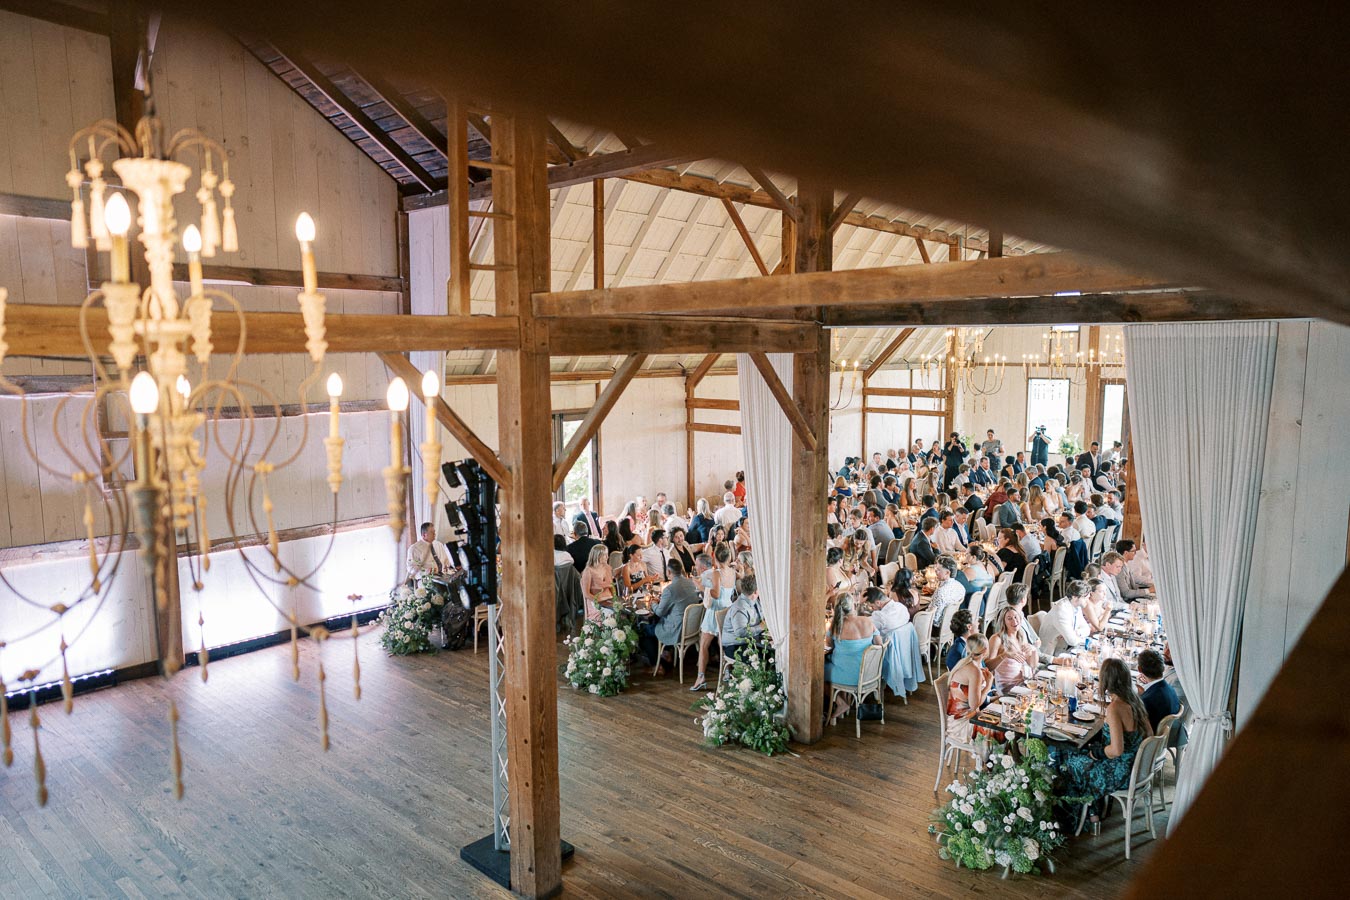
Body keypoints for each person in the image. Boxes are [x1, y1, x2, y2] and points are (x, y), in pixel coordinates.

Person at [1059, 658, 1153, 826]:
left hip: (1121, 772)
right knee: (1080, 754)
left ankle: (1083, 819)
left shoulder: (1115, 708)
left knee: (1070, 761)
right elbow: (1150, 734)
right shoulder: (1135, 700)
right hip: (1137, 767)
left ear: (1107, 681)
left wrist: (1097, 753)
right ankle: (1094, 812)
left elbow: (1116, 750)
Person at [824, 593, 882, 724]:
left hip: (848, 675)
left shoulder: (835, 626)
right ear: (853, 605)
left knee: (818, 673)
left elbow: (829, 645)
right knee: (841, 664)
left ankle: (841, 702)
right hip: (869, 673)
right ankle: (844, 700)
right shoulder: (867, 621)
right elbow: (879, 644)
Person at [636, 557, 702, 672]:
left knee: (643, 630)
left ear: (668, 572)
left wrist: (653, 603)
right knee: (654, 624)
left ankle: (656, 665)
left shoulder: (669, 589)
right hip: (693, 629)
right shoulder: (691, 583)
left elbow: (659, 612)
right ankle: (666, 652)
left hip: (676, 630)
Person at [690, 543, 736, 692]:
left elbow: (715, 594)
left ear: (715, 557)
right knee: (722, 644)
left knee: (704, 645)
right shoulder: (732, 572)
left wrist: (701, 587)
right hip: (727, 610)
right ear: (728, 557)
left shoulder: (717, 573)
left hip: (715, 611)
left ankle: (700, 678)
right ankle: (726, 671)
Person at [945, 633, 992, 744]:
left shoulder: (964, 663)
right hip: (962, 725)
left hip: (958, 720)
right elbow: (974, 705)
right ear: (985, 650)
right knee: (1001, 732)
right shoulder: (974, 670)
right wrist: (988, 685)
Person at [987, 606, 1038, 692]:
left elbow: (1032, 665)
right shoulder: (997, 639)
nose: (1014, 621)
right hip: (1007, 688)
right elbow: (988, 667)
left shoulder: (1021, 635)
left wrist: (1033, 649)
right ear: (1004, 622)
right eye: (1009, 618)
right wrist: (1004, 655)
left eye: (1015, 617)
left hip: (1023, 683)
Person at [1039, 580, 1092, 654]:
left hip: (1066, 648)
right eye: (1085, 598)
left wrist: (1077, 632)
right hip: (1053, 653)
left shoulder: (1077, 606)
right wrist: (1078, 636)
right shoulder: (1061, 611)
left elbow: (1087, 629)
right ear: (1075, 597)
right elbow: (1072, 641)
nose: (1088, 601)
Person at [720, 574, 764, 658]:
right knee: (765, 658)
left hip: (750, 641)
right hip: (735, 646)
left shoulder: (755, 601)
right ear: (755, 591)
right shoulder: (739, 607)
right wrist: (760, 627)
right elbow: (740, 632)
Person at [1137, 648, 1180, 733]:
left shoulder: (1146, 700)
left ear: (1139, 669)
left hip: (1150, 737)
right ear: (1163, 668)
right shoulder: (1170, 689)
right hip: (1168, 734)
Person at [579, 545, 615, 623]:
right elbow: (586, 594)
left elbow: (611, 586)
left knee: (622, 613)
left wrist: (614, 600)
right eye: (605, 555)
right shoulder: (588, 571)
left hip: (608, 600)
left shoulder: (607, 568)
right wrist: (599, 601)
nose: (607, 557)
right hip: (595, 602)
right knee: (611, 614)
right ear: (598, 556)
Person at [929, 555, 966, 620]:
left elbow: (934, 618)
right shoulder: (961, 587)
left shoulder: (940, 592)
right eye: (936, 569)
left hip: (937, 625)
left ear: (947, 573)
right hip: (952, 622)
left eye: (938, 570)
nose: (935, 571)